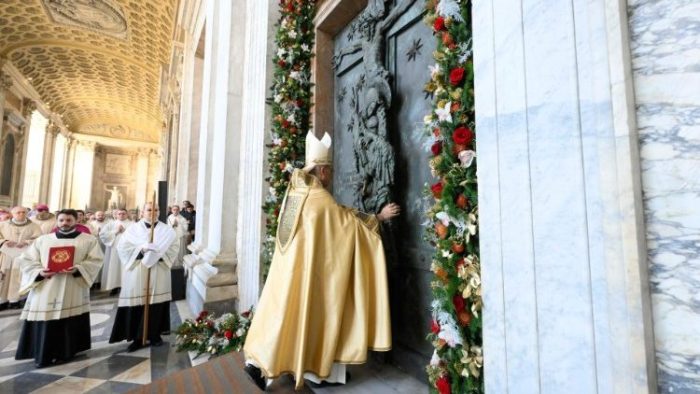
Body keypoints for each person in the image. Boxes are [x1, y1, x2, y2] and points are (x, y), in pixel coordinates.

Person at [243, 132, 401, 390]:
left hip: (289, 270)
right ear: (323, 170)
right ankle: (300, 371)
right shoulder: (320, 198)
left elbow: (337, 217)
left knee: (284, 313)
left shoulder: (297, 192)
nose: (331, 175)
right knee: (315, 313)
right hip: (309, 272)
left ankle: (266, 365)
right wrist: (378, 218)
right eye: (330, 170)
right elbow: (347, 224)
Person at [14, 209, 103, 367]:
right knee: (46, 319)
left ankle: (66, 352)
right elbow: (27, 259)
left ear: (76, 221)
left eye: (69, 220)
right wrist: (39, 272)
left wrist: (78, 269)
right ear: (57, 221)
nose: (65, 223)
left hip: (72, 285)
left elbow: (95, 260)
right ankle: (43, 354)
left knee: (69, 319)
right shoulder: (43, 240)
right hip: (47, 286)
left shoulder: (88, 240)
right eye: (61, 220)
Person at [109, 202, 179, 352]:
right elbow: (123, 248)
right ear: (142, 212)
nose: (152, 212)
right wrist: (141, 250)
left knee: (157, 303)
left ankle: (154, 335)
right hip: (137, 269)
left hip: (159, 270)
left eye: (156, 209)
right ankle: (137, 337)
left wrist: (159, 254)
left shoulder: (167, 231)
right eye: (149, 209)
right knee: (137, 303)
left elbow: (174, 247)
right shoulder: (132, 230)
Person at [0, 207, 43, 310]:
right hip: (6, 254)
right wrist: (4, 241)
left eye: (23, 212)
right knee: (3, 277)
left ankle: (15, 300)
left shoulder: (34, 226)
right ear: (12, 214)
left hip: (23, 255)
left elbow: (39, 239)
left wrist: (26, 242)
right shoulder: (3, 225)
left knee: (18, 277)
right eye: (18, 212)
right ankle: (2, 300)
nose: (21, 214)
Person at [99, 209, 132, 295]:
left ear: (127, 214)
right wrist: (116, 231)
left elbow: (136, 235)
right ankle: (114, 286)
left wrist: (125, 231)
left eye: (123, 213)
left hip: (127, 251)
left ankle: (125, 287)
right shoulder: (111, 224)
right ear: (116, 215)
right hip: (114, 250)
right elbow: (103, 235)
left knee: (125, 268)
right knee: (114, 268)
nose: (121, 215)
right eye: (119, 214)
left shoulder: (132, 224)